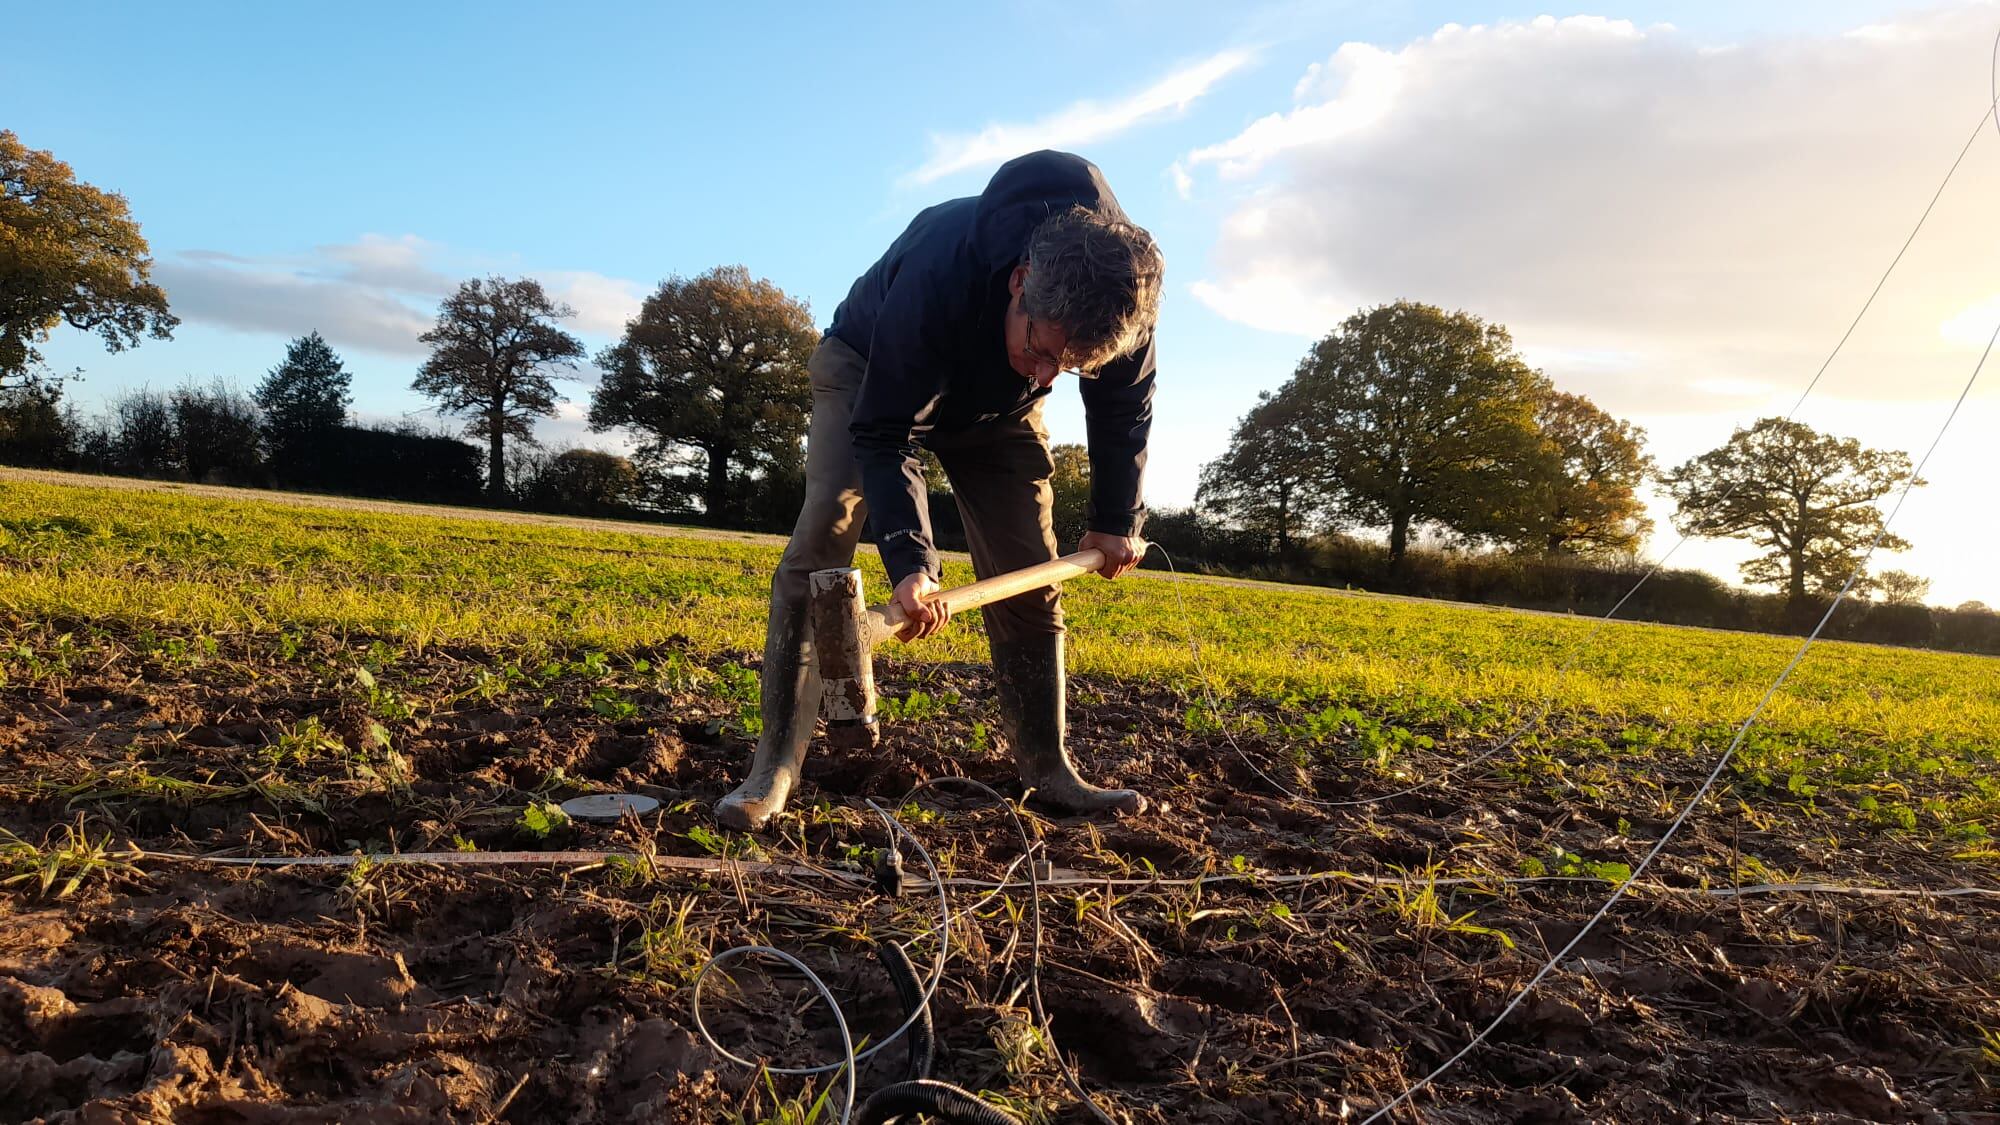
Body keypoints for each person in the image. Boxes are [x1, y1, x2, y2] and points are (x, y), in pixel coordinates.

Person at [714, 150, 1163, 832]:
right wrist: (911, 565)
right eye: (1042, 351)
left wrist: (1114, 516)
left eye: (1068, 368)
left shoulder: (1118, 298)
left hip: (995, 411)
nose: (1049, 378)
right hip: (873, 369)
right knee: (827, 529)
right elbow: (889, 432)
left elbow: (1123, 405)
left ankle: (1048, 766)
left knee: (1029, 567)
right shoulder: (940, 271)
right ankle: (774, 765)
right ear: (1020, 282)